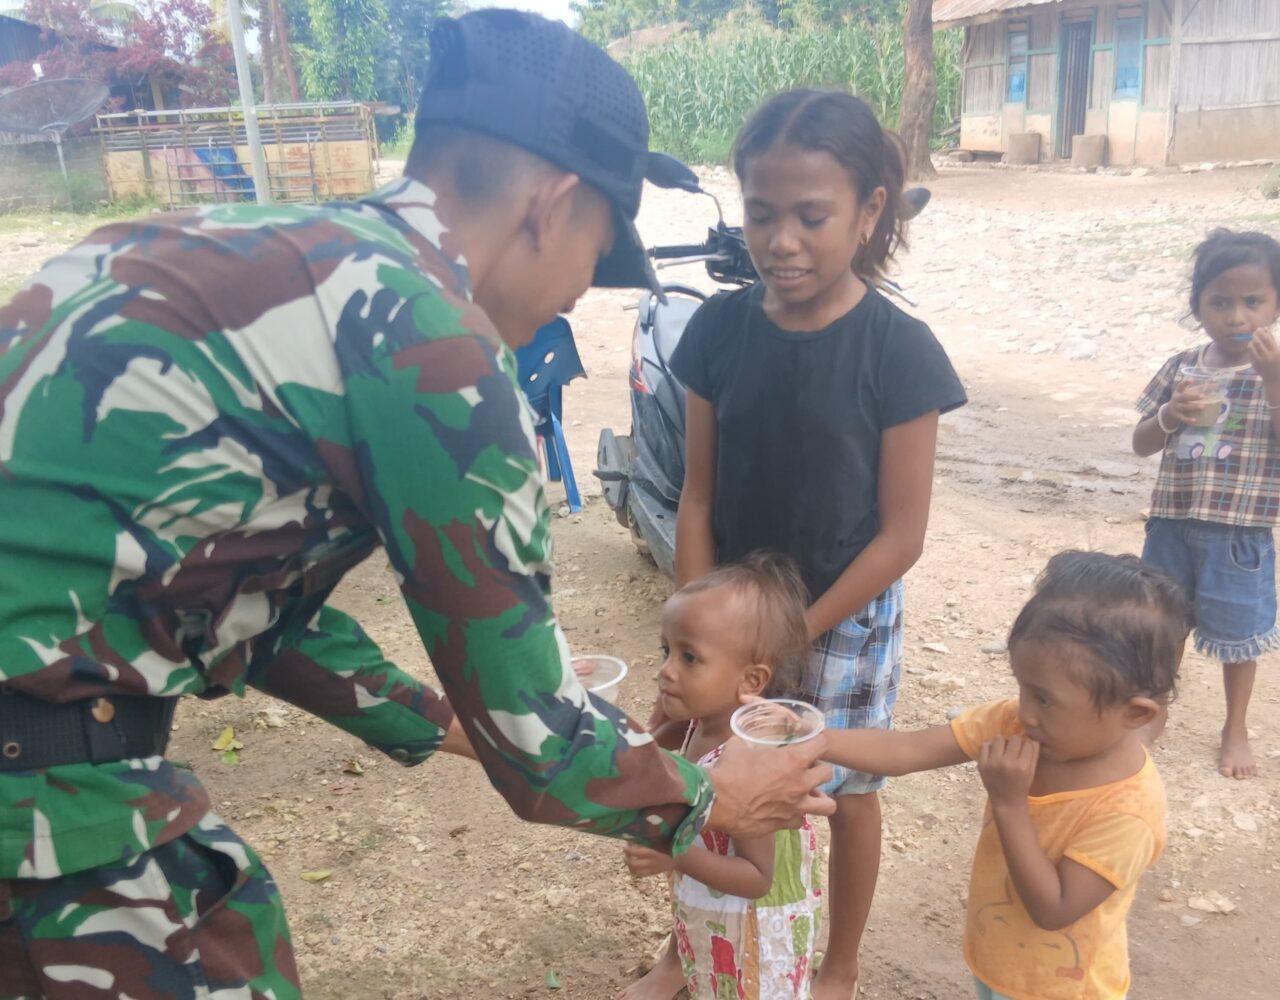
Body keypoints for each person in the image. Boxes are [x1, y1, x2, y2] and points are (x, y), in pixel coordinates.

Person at [0, 11, 833, 997]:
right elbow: (543, 756)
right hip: (44, 779)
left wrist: (441, 717)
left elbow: (224, 596)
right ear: (551, 204)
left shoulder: (224, 246)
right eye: (600, 252)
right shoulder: (433, 344)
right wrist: (713, 792)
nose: (578, 295)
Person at [666, 88, 967, 998]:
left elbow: (901, 535)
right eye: (762, 213)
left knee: (846, 794)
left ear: (871, 211)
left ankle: (837, 964)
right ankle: (683, 958)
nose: (781, 240)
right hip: (732, 621)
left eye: (811, 216)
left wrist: (794, 633)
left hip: (846, 620)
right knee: (706, 780)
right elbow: (698, 493)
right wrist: (695, 625)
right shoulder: (718, 330)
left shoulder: (899, 351)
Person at [818, 551, 1189, 1000]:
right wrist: (814, 738)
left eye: (1044, 700)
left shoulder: (1128, 812)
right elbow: (905, 749)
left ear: (1135, 713)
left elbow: (1053, 909)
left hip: (1066, 991)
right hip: (1000, 969)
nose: (1025, 712)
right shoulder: (1021, 723)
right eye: (1022, 688)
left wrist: (1011, 803)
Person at [621, 553, 822, 1000]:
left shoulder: (752, 759)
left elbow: (757, 876)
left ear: (750, 679)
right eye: (666, 650)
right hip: (718, 922)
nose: (666, 670)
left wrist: (677, 854)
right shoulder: (703, 721)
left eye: (690, 657)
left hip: (755, 936)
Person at [1132, 229, 1280, 779]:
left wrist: (1272, 380)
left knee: (1240, 636)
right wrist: (1170, 415)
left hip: (1240, 532)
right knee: (1163, 623)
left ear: (1275, 304)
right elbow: (1141, 442)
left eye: (1252, 301)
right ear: (1197, 306)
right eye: (1219, 302)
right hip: (1172, 523)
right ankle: (1155, 710)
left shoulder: (1275, 369)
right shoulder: (1181, 367)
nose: (1236, 316)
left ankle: (1235, 726)